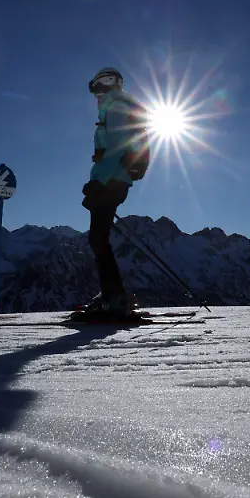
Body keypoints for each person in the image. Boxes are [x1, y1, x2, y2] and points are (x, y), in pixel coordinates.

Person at [79, 67, 149, 318]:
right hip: (113, 181)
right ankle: (112, 294)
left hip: (111, 182)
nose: (95, 94)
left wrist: (98, 183)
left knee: (98, 238)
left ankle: (115, 297)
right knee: (99, 238)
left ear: (106, 85)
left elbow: (117, 149)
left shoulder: (116, 107)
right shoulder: (118, 107)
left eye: (97, 87)